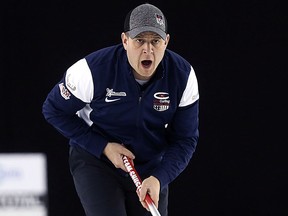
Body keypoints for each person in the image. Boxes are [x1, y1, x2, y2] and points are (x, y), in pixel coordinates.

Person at [42, 3, 199, 216]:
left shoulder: (183, 76)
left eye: (155, 41)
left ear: (167, 42)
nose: (148, 49)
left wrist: (159, 178)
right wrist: (103, 146)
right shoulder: (92, 71)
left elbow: (185, 140)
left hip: (149, 167)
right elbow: (53, 110)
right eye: (139, 41)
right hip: (97, 160)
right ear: (125, 41)